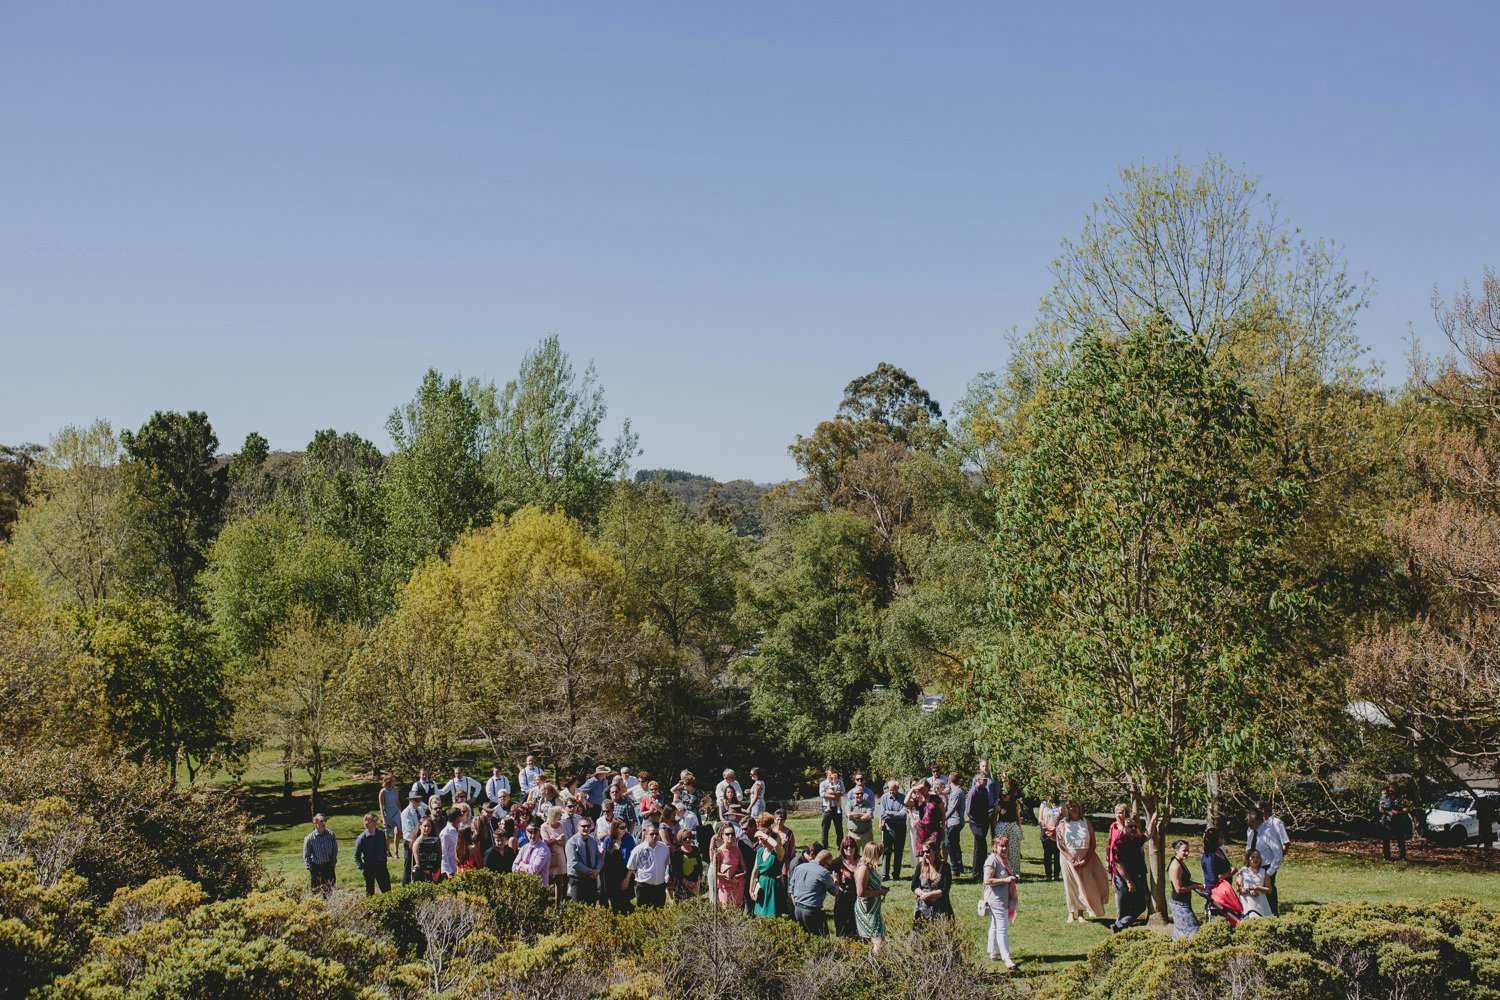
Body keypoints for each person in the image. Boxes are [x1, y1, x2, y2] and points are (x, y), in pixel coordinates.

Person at [1057, 800, 1108, 921]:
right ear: (1066, 809)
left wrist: (1085, 860)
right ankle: (1071, 912)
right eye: (1070, 807)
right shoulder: (1063, 823)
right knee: (1071, 885)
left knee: (1084, 885)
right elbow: (1060, 844)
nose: (1073, 809)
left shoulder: (1086, 822)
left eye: (1075, 806)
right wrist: (1071, 859)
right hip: (1068, 859)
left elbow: (1093, 843)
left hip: (1085, 859)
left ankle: (1081, 913)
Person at [982, 834, 1019, 968]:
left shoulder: (1003, 859)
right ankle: (1007, 958)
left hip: (1003, 898)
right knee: (1002, 928)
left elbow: (1006, 875)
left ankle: (993, 952)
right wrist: (1005, 880)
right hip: (995, 900)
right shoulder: (991, 860)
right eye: (1001, 846)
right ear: (994, 847)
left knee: (995, 925)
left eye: (1006, 846)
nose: (1004, 849)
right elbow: (987, 880)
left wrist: (1013, 877)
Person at [789, 848, 838, 935]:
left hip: (797, 909)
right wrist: (836, 881)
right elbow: (835, 892)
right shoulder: (823, 872)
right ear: (824, 863)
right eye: (828, 865)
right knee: (820, 940)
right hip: (812, 911)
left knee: (805, 939)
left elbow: (791, 888)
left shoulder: (799, 867)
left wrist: (795, 902)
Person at [1111, 817, 1148, 932]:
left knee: (1141, 905)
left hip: (1135, 875)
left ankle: (1120, 924)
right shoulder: (1119, 842)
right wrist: (1128, 882)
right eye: (1129, 827)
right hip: (1122, 877)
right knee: (1123, 901)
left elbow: (1149, 835)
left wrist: (1153, 819)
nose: (1132, 829)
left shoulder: (1137, 839)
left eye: (1134, 827)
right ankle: (1120, 923)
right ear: (1124, 828)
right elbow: (1118, 864)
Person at [1246, 805, 1285, 914]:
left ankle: (1273, 915)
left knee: (1268, 894)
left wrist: (1269, 873)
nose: (1250, 823)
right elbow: (1248, 847)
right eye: (1249, 820)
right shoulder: (1251, 830)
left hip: (1267, 867)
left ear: (1259, 820)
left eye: (1252, 821)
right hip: (1253, 866)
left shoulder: (1268, 832)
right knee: (1254, 895)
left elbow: (1278, 854)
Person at [853, 842, 888, 953]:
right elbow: (860, 892)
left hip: (874, 908)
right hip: (867, 910)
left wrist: (880, 888)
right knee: (877, 940)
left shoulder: (870, 867)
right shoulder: (863, 869)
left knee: (877, 939)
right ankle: (876, 964)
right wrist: (879, 892)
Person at [750, 814, 786, 917]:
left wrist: (764, 834)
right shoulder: (760, 851)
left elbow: (776, 845)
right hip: (761, 884)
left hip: (773, 885)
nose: (759, 841)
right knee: (759, 914)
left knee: (772, 915)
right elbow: (755, 871)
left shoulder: (778, 853)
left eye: (761, 838)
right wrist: (751, 889)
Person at [628, 823, 672, 908]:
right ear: (646, 835)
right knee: (644, 913)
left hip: (659, 887)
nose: (655, 836)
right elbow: (631, 867)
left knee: (659, 913)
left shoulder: (664, 848)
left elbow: (667, 864)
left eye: (657, 834)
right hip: (644, 887)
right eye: (652, 834)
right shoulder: (638, 849)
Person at [910, 841, 954, 924]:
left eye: (927, 851)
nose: (925, 854)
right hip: (923, 907)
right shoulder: (920, 866)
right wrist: (922, 894)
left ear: (935, 851)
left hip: (941, 907)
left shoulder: (945, 867)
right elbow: (913, 886)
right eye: (923, 852)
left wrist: (929, 895)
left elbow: (945, 889)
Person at [1168, 839, 1201, 939]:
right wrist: (1194, 886)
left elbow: (1186, 881)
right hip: (1179, 904)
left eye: (1188, 850)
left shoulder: (1180, 862)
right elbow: (1178, 889)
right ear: (1176, 850)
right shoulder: (1175, 866)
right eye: (1184, 850)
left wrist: (1199, 885)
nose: (1187, 853)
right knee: (1193, 929)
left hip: (1184, 902)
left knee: (1180, 931)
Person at [602, 818, 636, 914]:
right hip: (611, 874)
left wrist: (627, 879)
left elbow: (632, 859)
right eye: (622, 827)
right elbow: (603, 858)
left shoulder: (628, 838)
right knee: (614, 903)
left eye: (626, 827)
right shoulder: (608, 839)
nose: (625, 829)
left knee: (625, 902)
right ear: (615, 828)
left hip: (624, 873)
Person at [566, 816, 602, 903]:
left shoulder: (593, 839)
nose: (586, 828)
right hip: (578, 879)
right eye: (583, 826)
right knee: (578, 907)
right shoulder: (571, 842)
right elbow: (573, 862)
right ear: (578, 827)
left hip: (591, 879)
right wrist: (590, 871)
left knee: (591, 907)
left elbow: (599, 856)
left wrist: (598, 869)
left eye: (588, 826)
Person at [714, 821, 748, 909]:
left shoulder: (737, 850)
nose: (730, 836)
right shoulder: (719, 852)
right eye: (728, 834)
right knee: (726, 910)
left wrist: (739, 876)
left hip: (737, 884)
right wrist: (728, 879)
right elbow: (715, 873)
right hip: (725, 886)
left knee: (737, 910)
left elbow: (745, 870)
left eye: (732, 834)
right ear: (722, 835)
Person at [879, 780, 908, 880]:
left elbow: (904, 815)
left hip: (900, 829)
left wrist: (890, 814)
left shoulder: (903, 798)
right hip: (888, 828)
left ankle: (896, 874)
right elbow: (882, 814)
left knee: (898, 852)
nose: (891, 792)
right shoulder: (884, 798)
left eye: (893, 790)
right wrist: (896, 814)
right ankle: (884, 874)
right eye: (890, 790)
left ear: (897, 788)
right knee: (886, 851)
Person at [994, 774, 1024, 871]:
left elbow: (1017, 813)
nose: (1005, 778)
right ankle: (1001, 871)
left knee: (1014, 850)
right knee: (1001, 848)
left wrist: (1019, 828)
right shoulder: (998, 792)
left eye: (1006, 776)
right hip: (1002, 824)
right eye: (1003, 776)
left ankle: (1015, 872)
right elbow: (995, 811)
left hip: (1013, 824)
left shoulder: (1013, 794)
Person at [541, 806, 570, 904]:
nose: (561, 816)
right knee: (547, 880)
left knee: (559, 881)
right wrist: (557, 840)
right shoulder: (544, 826)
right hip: (550, 855)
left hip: (560, 854)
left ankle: (558, 904)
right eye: (560, 814)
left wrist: (558, 841)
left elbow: (565, 838)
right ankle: (546, 902)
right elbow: (545, 842)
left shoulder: (561, 824)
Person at [303, 813, 337, 896]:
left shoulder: (330, 835)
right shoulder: (310, 838)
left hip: (328, 866)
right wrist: (310, 868)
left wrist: (333, 863)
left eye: (325, 821)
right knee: (317, 892)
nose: (324, 823)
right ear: (315, 823)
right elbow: (306, 854)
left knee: (330, 889)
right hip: (317, 868)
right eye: (321, 821)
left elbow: (335, 850)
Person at [832, 836, 859, 938]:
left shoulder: (861, 861)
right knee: (843, 930)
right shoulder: (837, 862)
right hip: (842, 898)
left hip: (857, 897)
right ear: (842, 848)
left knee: (856, 928)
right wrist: (835, 883)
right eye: (846, 847)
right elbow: (829, 876)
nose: (849, 849)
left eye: (851, 846)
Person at [967, 773, 992, 880]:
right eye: (984, 779)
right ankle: (976, 872)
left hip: (984, 822)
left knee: (983, 846)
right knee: (979, 846)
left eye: (986, 779)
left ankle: (983, 869)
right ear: (978, 780)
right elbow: (968, 810)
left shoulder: (985, 791)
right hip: (976, 823)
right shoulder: (973, 792)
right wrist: (975, 821)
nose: (986, 781)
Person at [1378, 784, 1412, 862]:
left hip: (1398, 821)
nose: (1391, 789)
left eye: (1393, 788)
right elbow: (1380, 809)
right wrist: (1388, 812)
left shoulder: (1401, 798)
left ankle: (1402, 857)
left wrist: (1397, 812)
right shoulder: (1385, 797)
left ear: (1396, 789)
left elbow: (1406, 809)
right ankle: (1386, 857)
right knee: (1386, 839)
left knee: (1400, 839)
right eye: (1390, 788)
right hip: (1387, 821)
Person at [1236, 849, 1273, 919]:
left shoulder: (1264, 872)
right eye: (1253, 857)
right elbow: (1238, 887)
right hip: (1247, 902)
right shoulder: (1242, 871)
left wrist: (1258, 888)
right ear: (1248, 858)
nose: (1255, 859)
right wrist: (1245, 890)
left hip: (1260, 902)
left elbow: (1269, 890)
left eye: (1257, 857)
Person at [514, 819, 551, 887]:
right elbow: (514, 867)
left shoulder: (544, 849)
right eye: (530, 832)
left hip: (539, 886)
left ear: (539, 832)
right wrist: (526, 868)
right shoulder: (524, 847)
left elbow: (533, 871)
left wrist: (522, 864)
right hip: (524, 885)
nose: (533, 835)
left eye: (535, 832)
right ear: (526, 832)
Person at [399, 792, 425, 885]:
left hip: (420, 840)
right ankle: (406, 884)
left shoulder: (421, 810)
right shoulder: (406, 813)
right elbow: (410, 830)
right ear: (410, 800)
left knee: (418, 863)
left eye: (419, 799)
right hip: (410, 841)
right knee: (409, 865)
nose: (418, 801)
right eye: (416, 800)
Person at [846, 774, 876, 852]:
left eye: (861, 794)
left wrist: (855, 816)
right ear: (853, 794)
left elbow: (870, 815)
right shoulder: (850, 801)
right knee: (853, 855)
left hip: (866, 833)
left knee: (869, 854)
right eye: (857, 794)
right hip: (853, 834)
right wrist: (863, 815)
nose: (859, 795)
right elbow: (849, 814)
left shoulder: (868, 800)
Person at [409, 816, 443, 883]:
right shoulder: (417, 843)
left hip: (436, 873)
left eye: (429, 826)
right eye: (425, 826)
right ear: (420, 826)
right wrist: (430, 874)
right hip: (423, 876)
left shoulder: (434, 840)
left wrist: (437, 872)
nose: (427, 828)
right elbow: (418, 864)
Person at [944, 776, 966, 877]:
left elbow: (952, 807)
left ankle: (954, 868)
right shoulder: (955, 791)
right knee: (955, 844)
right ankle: (959, 865)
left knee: (948, 844)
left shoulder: (956, 792)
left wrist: (943, 818)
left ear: (949, 781)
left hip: (955, 821)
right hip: (954, 821)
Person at [1036, 796, 1062, 882]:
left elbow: (1063, 819)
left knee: (1057, 855)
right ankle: (1048, 875)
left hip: (1057, 833)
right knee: (1047, 855)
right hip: (1045, 833)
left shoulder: (1060, 805)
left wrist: (1055, 830)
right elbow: (1040, 819)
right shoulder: (1043, 804)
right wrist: (1045, 829)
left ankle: (1056, 875)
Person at [819, 767, 845, 846]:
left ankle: (840, 846)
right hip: (826, 808)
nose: (832, 776)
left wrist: (833, 794)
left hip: (837, 807)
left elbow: (842, 792)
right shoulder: (823, 783)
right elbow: (822, 794)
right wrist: (834, 796)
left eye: (833, 774)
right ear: (827, 774)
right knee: (825, 828)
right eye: (830, 775)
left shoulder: (839, 782)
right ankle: (824, 846)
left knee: (839, 828)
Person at [377, 773, 402, 851]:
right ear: (388, 781)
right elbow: (381, 805)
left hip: (395, 813)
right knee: (387, 835)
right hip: (387, 813)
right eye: (393, 781)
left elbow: (398, 802)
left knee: (397, 832)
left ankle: (396, 851)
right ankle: (388, 852)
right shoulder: (383, 791)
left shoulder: (395, 790)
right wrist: (383, 818)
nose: (394, 782)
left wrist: (401, 813)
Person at [438, 807, 463, 880]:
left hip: (459, 867)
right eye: (460, 816)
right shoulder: (445, 833)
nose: (462, 818)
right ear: (456, 818)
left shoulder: (460, 828)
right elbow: (443, 854)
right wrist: (449, 872)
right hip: (450, 869)